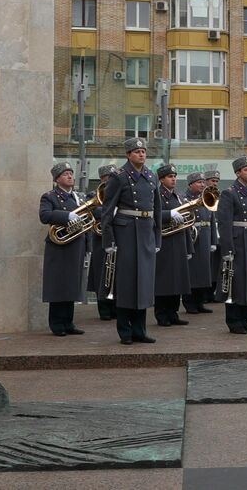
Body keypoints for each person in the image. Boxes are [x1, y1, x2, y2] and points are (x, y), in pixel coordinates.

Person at [99, 138, 165, 345]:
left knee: (143, 284)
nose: (141, 154)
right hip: (125, 233)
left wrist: (157, 236)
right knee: (127, 284)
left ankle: (140, 330)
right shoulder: (119, 177)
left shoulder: (151, 176)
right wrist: (109, 241)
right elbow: (108, 211)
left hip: (145, 232)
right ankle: (125, 331)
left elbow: (157, 210)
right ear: (128, 155)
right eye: (136, 151)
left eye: (143, 151)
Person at [214, 156, 247, 334]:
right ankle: (234, 322)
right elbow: (224, 223)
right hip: (238, 243)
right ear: (237, 173)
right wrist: (227, 248)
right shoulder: (229, 193)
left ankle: (245, 320)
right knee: (236, 283)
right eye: (246, 170)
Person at [38, 162, 88, 336]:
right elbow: (44, 215)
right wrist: (67, 216)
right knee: (58, 285)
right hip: (59, 246)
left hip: (77, 244)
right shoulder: (50, 196)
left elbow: (91, 215)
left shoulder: (79, 197)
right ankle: (57, 324)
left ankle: (68, 322)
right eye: (66, 173)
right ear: (57, 178)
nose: (70, 176)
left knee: (72, 285)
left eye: (71, 173)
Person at [153, 164, 192, 327]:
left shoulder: (178, 196)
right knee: (163, 281)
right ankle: (161, 314)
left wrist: (189, 247)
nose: (174, 179)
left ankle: (173, 313)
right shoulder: (157, 195)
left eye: (175, 176)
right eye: (170, 176)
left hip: (179, 241)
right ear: (161, 179)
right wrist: (169, 214)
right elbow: (152, 214)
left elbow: (186, 221)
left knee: (178, 280)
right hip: (164, 243)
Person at [182, 172, 217, 314]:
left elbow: (212, 221)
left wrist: (213, 240)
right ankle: (189, 303)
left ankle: (200, 302)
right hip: (193, 239)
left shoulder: (207, 198)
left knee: (203, 273)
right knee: (191, 273)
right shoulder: (184, 199)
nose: (202, 185)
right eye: (198, 182)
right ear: (190, 185)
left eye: (203, 182)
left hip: (206, 237)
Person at [86, 164, 117, 321]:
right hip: (101, 241)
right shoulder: (94, 194)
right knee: (101, 274)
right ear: (102, 179)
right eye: (108, 178)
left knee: (116, 275)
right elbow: (93, 211)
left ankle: (116, 307)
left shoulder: (119, 193)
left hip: (117, 239)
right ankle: (104, 309)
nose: (110, 180)